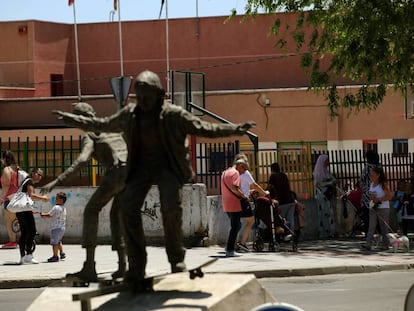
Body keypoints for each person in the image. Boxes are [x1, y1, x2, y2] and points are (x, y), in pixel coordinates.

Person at [53, 70, 255, 289]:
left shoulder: (173, 114)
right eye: (139, 97)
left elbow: (204, 128)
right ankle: (137, 265)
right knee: (128, 208)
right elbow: (103, 125)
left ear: (159, 94)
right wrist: (75, 119)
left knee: (171, 207)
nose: (143, 102)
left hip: (167, 168)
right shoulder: (131, 113)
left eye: (147, 97)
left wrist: (233, 129)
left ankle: (176, 259)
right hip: (140, 169)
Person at [41, 102, 128, 281]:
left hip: (117, 174)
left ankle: (90, 267)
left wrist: (57, 181)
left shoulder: (90, 135)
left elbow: (81, 161)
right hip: (131, 175)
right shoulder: (110, 128)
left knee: (90, 211)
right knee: (116, 217)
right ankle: (122, 266)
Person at [234, 153, 269, 252]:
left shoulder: (233, 173)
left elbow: (239, 187)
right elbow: (254, 185)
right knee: (250, 221)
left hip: (233, 200)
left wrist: (248, 191)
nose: (246, 166)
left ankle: (233, 243)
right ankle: (242, 243)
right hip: (243, 200)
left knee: (235, 223)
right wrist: (264, 193)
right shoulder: (245, 173)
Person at [17, 168, 49, 264]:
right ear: (33, 173)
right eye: (38, 174)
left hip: (19, 210)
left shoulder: (25, 181)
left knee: (24, 233)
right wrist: (43, 198)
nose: (40, 177)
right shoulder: (29, 181)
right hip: (25, 210)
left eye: (41, 175)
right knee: (31, 231)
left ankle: (23, 256)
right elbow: (31, 195)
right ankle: (29, 255)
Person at [221, 158, 250, 257]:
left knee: (236, 225)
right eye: (244, 170)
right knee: (235, 226)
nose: (243, 172)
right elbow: (234, 188)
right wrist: (243, 196)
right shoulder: (235, 173)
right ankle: (230, 250)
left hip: (226, 203)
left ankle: (229, 247)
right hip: (234, 203)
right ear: (240, 166)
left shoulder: (225, 172)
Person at [361, 166, 393, 251]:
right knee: (371, 225)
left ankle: (386, 244)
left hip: (383, 207)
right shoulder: (372, 184)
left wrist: (379, 199)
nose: (371, 177)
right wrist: (371, 196)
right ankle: (368, 243)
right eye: (370, 175)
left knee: (383, 227)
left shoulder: (383, 184)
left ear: (378, 175)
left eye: (373, 175)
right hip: (373, 207)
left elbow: (389, 196)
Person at [313, 154, 337, 238]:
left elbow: (333, 179)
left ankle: (331, 232)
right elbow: (318, 184)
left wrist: (332, 182)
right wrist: (330, 183)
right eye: (326, 161)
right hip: (321, 196)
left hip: (327, 195)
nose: (328, 162)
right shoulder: (317, 173)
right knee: (323, 214)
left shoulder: (326, 171)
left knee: (329, 213)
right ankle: (323, 232)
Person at [267, 162, 296, 233]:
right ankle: (291, 235)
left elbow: (268, 187)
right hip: (291, 200)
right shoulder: (284, 175)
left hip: (281, 202)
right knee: (290, 219)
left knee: (280, 220)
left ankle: (284, 235)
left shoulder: (273, 176)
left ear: (272, 169)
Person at [41, 192, 67, 262]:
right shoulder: (64, 208)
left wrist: (43, 215)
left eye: (56, 198)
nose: (55, 200)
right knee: (58, 241)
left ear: (61, 200)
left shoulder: (56, 207)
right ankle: (61, 252)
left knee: (54, 243)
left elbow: (49, 215)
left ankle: (55, 256)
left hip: (55, 228)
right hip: (62, 228)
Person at [0, 150, 19, 249]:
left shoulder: (7, 170)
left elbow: (6, 185)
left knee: (9, 221)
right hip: (16, 197)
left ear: (5, 159)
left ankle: (12, 241)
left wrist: (1, 198)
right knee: (15, 220)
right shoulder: (17, 169)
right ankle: (14, 240)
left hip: (9, 198)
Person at [360, 150, 380, 235]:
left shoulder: (367, 167)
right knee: (378, 213)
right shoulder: (379, 167)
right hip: (378, 192)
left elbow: (362, 179)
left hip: (368, 193)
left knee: (367, 214)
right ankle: (380, 232)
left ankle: (368, 233)